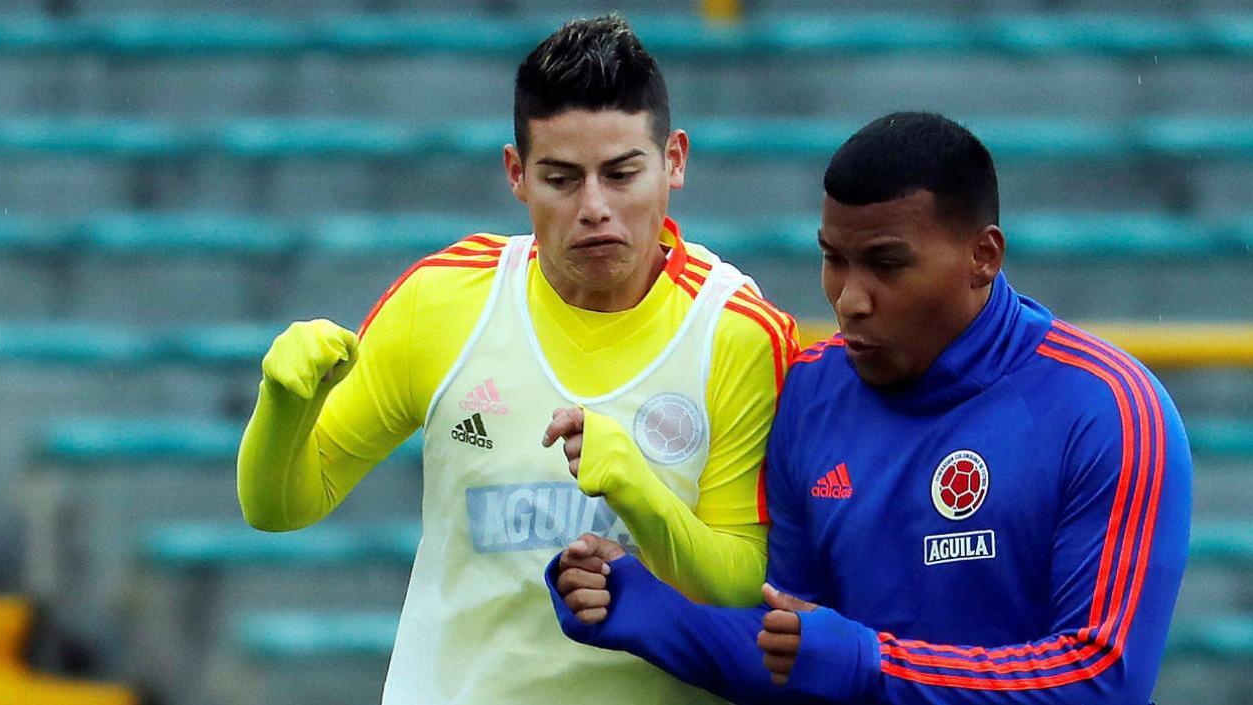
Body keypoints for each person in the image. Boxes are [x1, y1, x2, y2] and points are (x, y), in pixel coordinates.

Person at [236, 13, 798, 705]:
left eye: (622, 173)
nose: (595, 207)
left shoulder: (738, 332)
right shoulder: (444, 301)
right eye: (562, 178)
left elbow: (745, 582)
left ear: (674, 160)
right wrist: (286, 405)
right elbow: (280, 507)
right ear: (517, 174)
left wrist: (637, 488)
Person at [547, 112, 1191, 705]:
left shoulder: (1107, 410)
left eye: (886, 264)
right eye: (834, 260)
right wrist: (648, 612)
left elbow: (1101, 680)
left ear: (983, 257)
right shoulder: (811, 394)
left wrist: (871, 666)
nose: (850, 299)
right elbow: (796, 654)